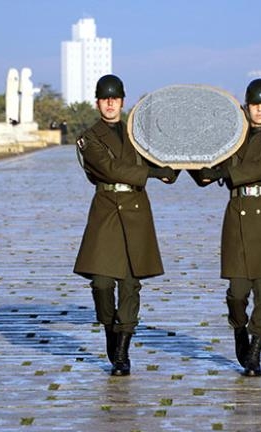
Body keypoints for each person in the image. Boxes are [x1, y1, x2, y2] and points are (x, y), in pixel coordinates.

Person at [74, 74, 177, 376]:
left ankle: (122, 351)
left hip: (135, 209)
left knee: (131, 284)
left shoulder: (138, 134)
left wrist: (183, 168)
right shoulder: (90, 137)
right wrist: (153, 174)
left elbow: (165, 153)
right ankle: (110, 328)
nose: (110, 103)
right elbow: (108, 168)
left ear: (122, 101)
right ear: (97, 103)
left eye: (115, 99)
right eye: (105, 99)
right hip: (106, 211)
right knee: (102, 284)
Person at [194, 78, 261, 377]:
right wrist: (193, 164)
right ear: (247, 107)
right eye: (255, 105)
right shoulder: (233, 139)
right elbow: (207, 167)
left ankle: (255, 353)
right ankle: (239, 329)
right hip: (238, 217)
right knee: (237, 293)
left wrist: (226, 172)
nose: (260, 110)